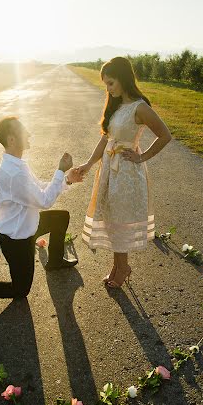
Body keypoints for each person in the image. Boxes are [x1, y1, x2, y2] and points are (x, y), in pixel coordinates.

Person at [0, 116, 83, 301]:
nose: (29, 133)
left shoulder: (18, 164)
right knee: (20, 290)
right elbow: (44, 201)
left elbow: (40, 188)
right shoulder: (15, 173)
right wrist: (60, 171)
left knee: (60, 217)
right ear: (12, 139)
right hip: (17, 239)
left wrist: (66, 179)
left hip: (29, 224)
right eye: (23, 131)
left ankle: (55, 261)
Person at [76, 56, 172, 288]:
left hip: (127, 173)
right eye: (105, 84)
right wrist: (88, 165)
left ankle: (123, 268)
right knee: (111, 219)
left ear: (123, 78)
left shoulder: (139, 107)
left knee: (119, 220)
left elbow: (165, 135)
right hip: (109, 169)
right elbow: (105, 139)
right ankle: (118, 266)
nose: (107, 88)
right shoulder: (116, 104)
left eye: (110, 83)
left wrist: (142, 156)